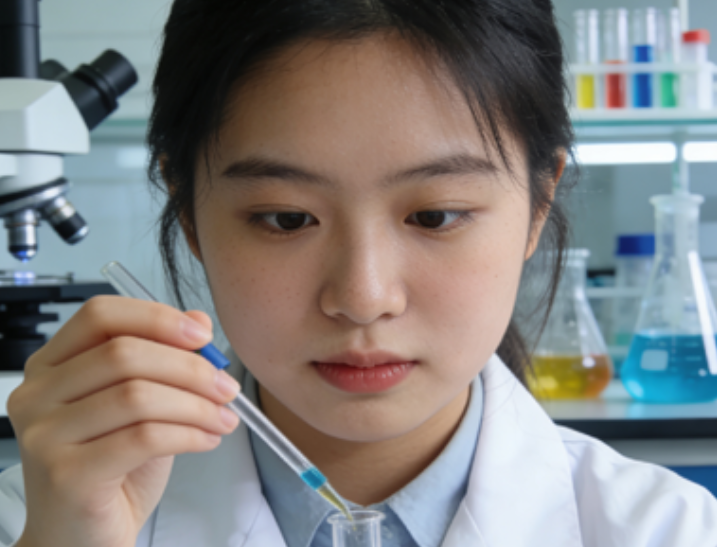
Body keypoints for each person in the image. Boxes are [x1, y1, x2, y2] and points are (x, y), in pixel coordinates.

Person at [1, 1, 716, 546]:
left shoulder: (670, 530)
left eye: (434, 215)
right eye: (286, 218)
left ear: (537, 204)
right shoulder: (40, 518)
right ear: (188, 210)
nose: (363, 297)